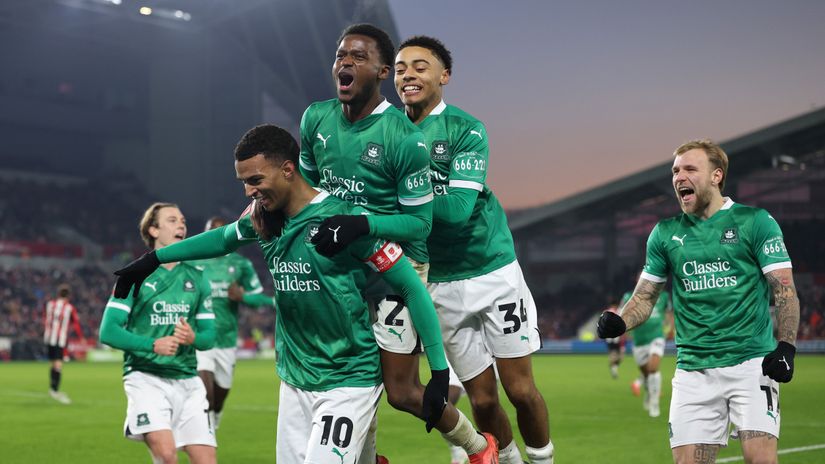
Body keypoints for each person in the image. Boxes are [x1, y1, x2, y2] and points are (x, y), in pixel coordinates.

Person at [112, 124, 495, 463]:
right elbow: (221, 239)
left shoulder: (342, 220)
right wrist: (151, 260)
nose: (249, 191)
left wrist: (440, 370)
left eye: (256, 179)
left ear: (288, 169)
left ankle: (479, 449)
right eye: (244, 182)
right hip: (294, 381)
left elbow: (411, 286)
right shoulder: (263, 218)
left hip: (348, 379)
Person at [299, 24, 497, 461]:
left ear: (381, 71)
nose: (344, 62)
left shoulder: (403, 138)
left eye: (357, 56)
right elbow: (307, 195)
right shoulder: (316, 118)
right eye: (339, 55)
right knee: (348, 377)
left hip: (397, 269)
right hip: (343, 269)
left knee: (403, 392)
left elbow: (418, 225)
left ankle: (479, 447)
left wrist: (360, 225)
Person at [394, 36, 553, 464]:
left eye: (420, 66)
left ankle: (544, 460)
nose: (408, 74)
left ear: (444, 76)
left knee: (520, 390)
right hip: (439, 282)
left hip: (491, 271)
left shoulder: (466, 129)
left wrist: (394, 201)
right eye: (400, 68)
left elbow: (459, 210)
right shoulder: (387, 134)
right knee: (481, 402)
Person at [597, 139, 800, 464]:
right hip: (693, 370)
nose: (679, 177)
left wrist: (786, 346)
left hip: (751, 364)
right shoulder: (664, 234)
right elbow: (646, 296)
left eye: (690, 169)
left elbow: (784, 290)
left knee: (760, 460)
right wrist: (622, 321)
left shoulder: (755, 221)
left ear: (716, 175)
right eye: (675, 171)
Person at [99, 202, 217, 464]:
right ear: (153, 230)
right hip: (146, 378)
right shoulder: (133, 275)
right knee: (166, 455)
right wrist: (153, 344)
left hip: (188, 381)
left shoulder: (198, 277)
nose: (182, 225)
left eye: (183, 220)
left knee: (206, 461)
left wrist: (193, 338)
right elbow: (108, 331)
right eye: (172, 220)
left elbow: (210, 337)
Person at [190, 216, 265, 431]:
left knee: (219, 397)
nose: (216, 235)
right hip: (202, 337)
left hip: (227, 339)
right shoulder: (194, 261)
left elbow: (259, 299)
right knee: (205, 396)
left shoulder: (240, 264)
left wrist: (243, 297)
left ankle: (213, 419)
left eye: (220, 231)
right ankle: (204, 434)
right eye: (212, 230)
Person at [621, 286, 671, 417]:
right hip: (639, 341)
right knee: (647, 373)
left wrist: (670, 327)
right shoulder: (629, 296)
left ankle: (655, 403)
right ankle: (649, 391)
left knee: (653, 368)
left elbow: (669, 313)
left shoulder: (663, 296)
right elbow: (624, 314)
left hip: (657, 336)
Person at [44, 283, 84, 404]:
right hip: (59, 339)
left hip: (48, 338)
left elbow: (46, 318)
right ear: (69, 296)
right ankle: (55, 390)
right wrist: (81, 337)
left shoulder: (50, 305)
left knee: (53, 364)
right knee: (58, 365)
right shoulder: (69, 308)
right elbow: (76, 323)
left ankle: (52, 389)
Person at [602, 299, 625, 380]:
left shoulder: (610, 312)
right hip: (614, 338)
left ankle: (613, 368)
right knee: (615, 355)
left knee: (619, 357)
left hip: (614, 337)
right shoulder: (616, 312)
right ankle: (614, 370)